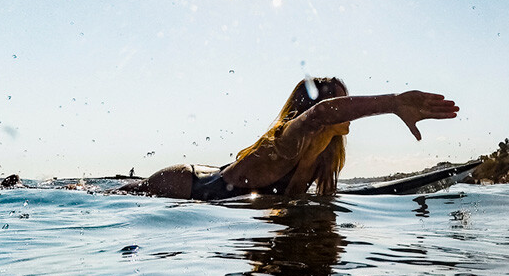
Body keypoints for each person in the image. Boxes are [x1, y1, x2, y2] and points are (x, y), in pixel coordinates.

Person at [117, 77, 459, 200]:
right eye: (338, 103)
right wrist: (394, 103)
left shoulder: (325, 155)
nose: (345, 111)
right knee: (115, 197)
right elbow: (321, 115)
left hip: (217, 177)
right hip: (189, 184)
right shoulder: (287, 140)